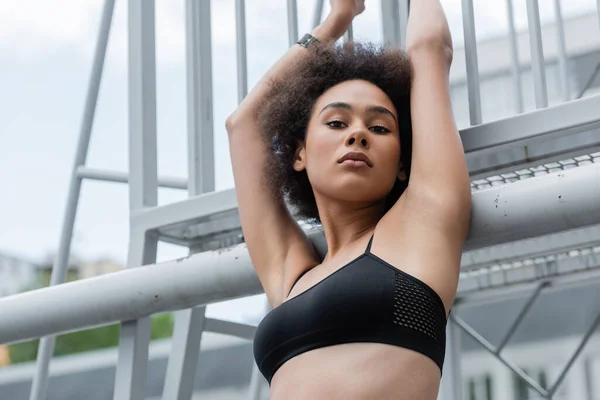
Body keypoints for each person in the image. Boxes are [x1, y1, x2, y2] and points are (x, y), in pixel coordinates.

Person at [226, 0, 471, 398]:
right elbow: (245, 125)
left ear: (404, 164)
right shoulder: (291, 275)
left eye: (379, 127)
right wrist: (336, 21)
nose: (358, 134)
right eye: (337, 122)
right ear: (299, 154)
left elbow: (429, 48)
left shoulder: (420, 228)